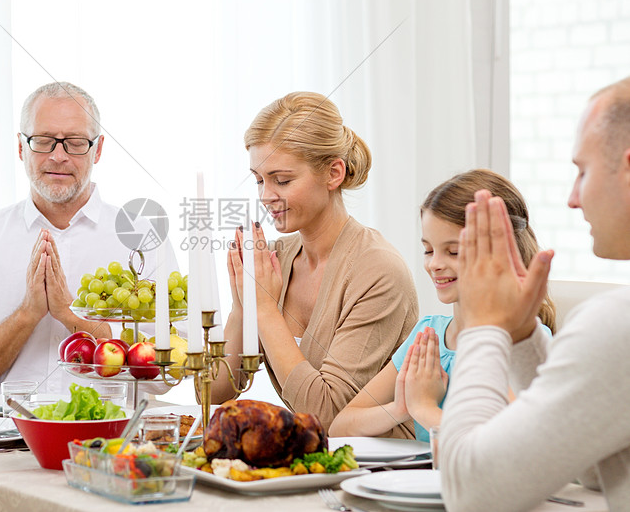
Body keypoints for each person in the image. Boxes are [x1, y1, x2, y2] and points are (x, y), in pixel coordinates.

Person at [440, 77, 630, 510]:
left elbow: (471, 493)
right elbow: (591, 466)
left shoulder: (618, 321)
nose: (572, 198)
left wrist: (484, 325)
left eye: (583, 171)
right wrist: (523, 338)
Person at [0, 81, 176, 401]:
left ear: (98, 149)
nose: (58, 156)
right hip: (3, 442)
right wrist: (27, 314)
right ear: (20, 147)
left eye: (76, 142)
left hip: (112, 441)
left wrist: (71, 315)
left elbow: (165, 373)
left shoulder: (143, 239)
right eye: (43, 141)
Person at [210, 91, 419, 430]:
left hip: (380, 470)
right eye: (259, 180)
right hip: (312, 463)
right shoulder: (274, 259)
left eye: (283, 180)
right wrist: (241, 306)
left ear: (333, 173)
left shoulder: (378, 271)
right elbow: (216, 391)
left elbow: (329, 415)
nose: (265, 196)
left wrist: (264, 309)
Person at [329, 169, 555, 441]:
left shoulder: (522, 344)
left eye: (454, 252)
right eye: (428, 250)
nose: (435, 264)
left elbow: (499, 443)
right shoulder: (429, 335)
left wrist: (423, 408)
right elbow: (340, 427)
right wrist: (400, 409)